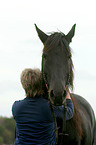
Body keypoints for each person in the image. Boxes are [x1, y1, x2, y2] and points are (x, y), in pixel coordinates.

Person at [12, 68, 74, 145]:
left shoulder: (16, 107)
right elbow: (69, 113)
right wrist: (67, 93)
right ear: (43, 85)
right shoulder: (49, 107)